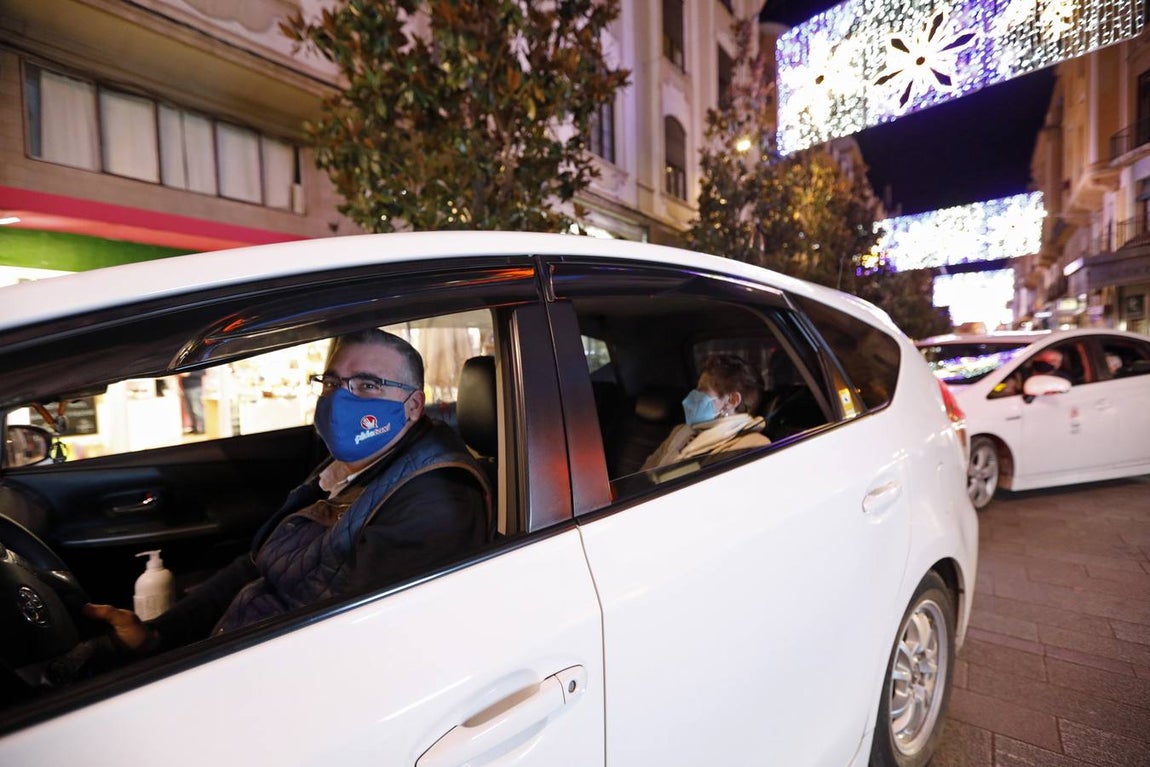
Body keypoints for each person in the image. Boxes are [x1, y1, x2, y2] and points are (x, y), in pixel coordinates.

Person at [84, 329, 491, 654]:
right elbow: (259, 565)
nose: (340, 399)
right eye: (332, 382)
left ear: (413, 406)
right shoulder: (348, 467)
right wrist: (157, 635)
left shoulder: (434, 501)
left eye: (367, 385)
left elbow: (359, 647)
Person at [641, 353, 770, 472]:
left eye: (702, 390)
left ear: (732, 401)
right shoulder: (680, 432)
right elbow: (643, 476)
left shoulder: (751, 445)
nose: (690, 398)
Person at [179, 370, 206, 434]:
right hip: (186, 388)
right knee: (190, 410)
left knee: (197, 409)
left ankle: (202, 428)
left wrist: (189, 374)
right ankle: (195, 428)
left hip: (195, 388)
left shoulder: (197, 363)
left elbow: (203, 372)